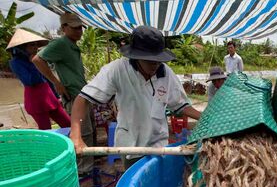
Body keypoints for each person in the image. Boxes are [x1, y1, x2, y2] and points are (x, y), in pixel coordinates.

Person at [69, 26, 201, 170]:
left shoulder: (166, 73)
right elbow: (83, 99)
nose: (155, 66)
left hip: (158, 144)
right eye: (151, 61)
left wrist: (205, 117)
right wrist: (76, 134)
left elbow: (181, 106)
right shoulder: (117, 70)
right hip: (130, 146)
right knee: (134, 179)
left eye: (158, 61)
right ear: (136, 57)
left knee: (158, 180)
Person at [32, 12, 95, 175]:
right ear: (64, 28)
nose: (79, 31)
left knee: (89, 129)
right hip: (73, 95)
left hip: (81, 93)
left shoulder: (72, 46)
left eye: (80, 28)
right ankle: (83, 168)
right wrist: (56, 83)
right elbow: (38, 60)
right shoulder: (61, 43)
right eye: (74, 28)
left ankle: (88, 161)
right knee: (83, 131)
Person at [7, 29, 70, 130]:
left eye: (36, 44)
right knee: (46, 130)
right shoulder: (15, 62)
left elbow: (48, 78)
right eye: (32, 45)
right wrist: (33, 62)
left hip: (49, 96)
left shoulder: (39, 59)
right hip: (35, 99)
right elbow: (30, 81)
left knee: (68, 123)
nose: (36, 47)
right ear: (22, 48)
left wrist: (57, 95)